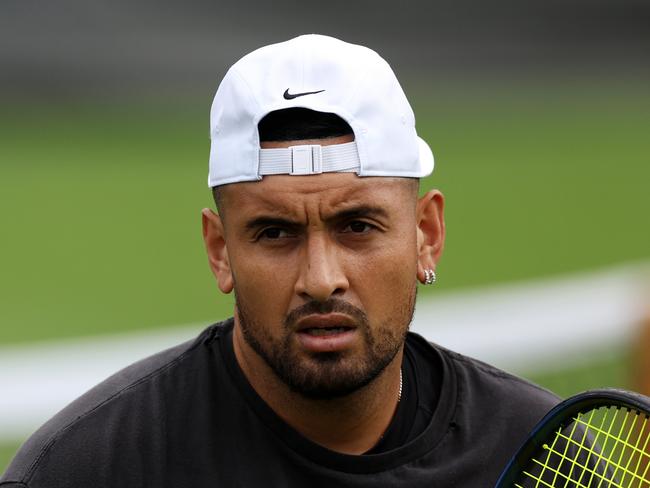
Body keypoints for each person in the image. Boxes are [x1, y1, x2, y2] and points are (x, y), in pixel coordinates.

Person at [1, 34, 558, 488]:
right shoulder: (87, 469)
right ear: (220, 251)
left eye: (358, 227)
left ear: (426, 235)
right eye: (275, 232)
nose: (321, 280)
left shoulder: (542, 454)